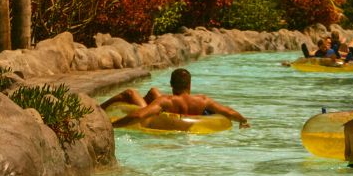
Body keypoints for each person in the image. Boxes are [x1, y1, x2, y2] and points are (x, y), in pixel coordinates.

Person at [100, 68, 250, 129]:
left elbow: (139, 115)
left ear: (171, 84)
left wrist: (112, 125)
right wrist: (243, 120)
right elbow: (229, 112)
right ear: (189, 84)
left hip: (160, 121)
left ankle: (97, 110)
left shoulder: (166, 101)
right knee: (153, 91)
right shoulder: (203, 100)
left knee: (130, 93)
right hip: (189, 124)